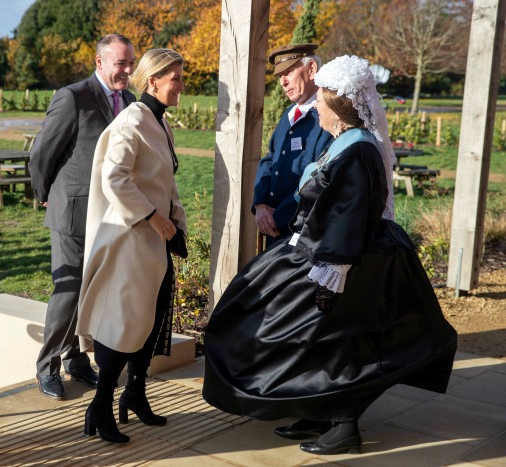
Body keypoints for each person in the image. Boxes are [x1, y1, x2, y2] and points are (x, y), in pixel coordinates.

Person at [203, 55, 457, 455]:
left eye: (321, 99)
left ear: (338, 109)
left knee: (329, 339)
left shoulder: (357, 151)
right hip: (320, 251)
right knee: (304, 333)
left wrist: (330, 275)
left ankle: (344, 426)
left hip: (339, 261)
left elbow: (347, 216)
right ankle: (317, 409)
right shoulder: (347, 144)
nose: (315, 104)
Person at [76, 48, 187, 444]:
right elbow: (114, 177)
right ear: (152, 80)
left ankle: (135, 393)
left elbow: (164, 181)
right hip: (131, 240)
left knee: (151, 320)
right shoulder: (132, 121)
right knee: (121, 325)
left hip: (154, 242)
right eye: (174, 77)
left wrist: (176, 223)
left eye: (180, 77)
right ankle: (100, 406)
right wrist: (152, 216)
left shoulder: (159, 122)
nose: (181, 85)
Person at [28, 34, 137, 401]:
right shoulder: (72, 97)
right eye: (120, 63)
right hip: (72, 212)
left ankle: (76, 361)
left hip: (111, 215)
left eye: (130, 62)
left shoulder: (131, 101)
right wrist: (45, 195)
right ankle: (47, 366)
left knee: (94, 290)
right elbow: (42, 152)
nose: (127, 69)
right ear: (100, 61)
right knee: (70, 289)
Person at [253, 43, 333, 247]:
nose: (283, 81)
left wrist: (277, 217)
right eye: (280, 76)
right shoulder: (289, 114)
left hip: (303, 234)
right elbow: (270, 159)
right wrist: (261, 204)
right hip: (275, 230)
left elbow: (320, 179)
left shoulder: (328, 117)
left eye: (288, 72)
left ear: (312, 69)